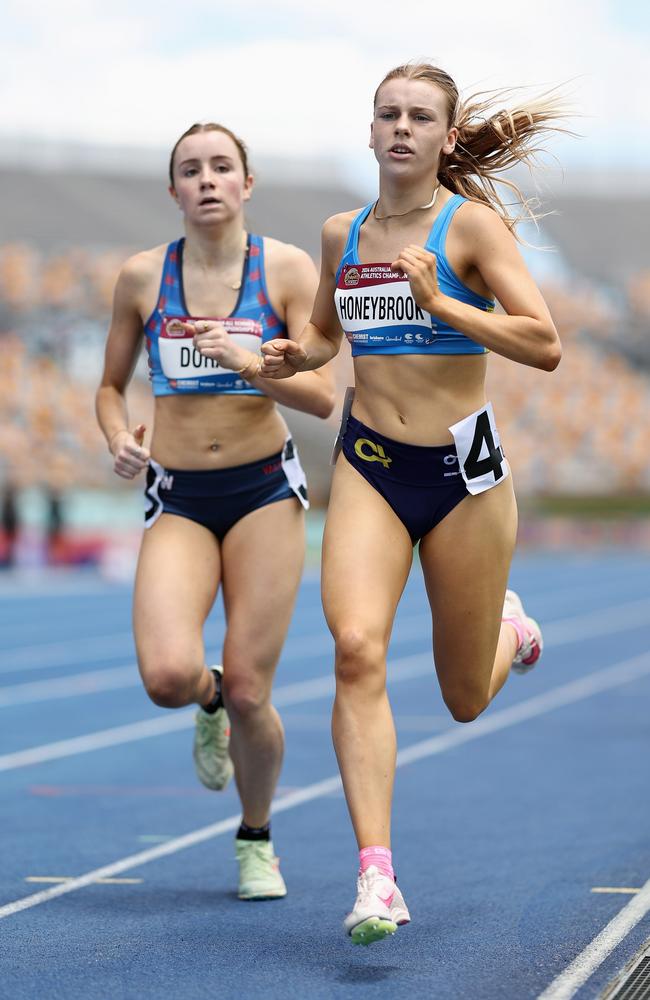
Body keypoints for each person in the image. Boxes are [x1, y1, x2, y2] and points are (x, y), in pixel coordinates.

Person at [261, 62, 564, 943]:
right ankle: (376, 879)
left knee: (464, 696)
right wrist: (295, 357)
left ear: (446, 135)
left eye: (419, 116)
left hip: (466, 480)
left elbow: (543, 343)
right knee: (356, 650)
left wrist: (443, 302)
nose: (400, 127)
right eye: (387, 114)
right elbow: (326, 335)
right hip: (370, 464)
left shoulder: (472, 229)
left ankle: (510, 627)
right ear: (370, 132)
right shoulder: (339, 232)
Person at [96, 122, 335, 901]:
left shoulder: (288, 271)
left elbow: (323, 398)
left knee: (252, 692)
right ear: (173, 191)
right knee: (169, 675)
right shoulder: (142, 277)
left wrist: (250, 365)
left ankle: (255, 837)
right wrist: (116, 437)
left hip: (264, 490)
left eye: (221, 167)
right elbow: (110, 387)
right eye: (190, 170)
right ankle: (206, 703)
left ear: (246, 183)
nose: (206, 179)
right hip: (179, 496)